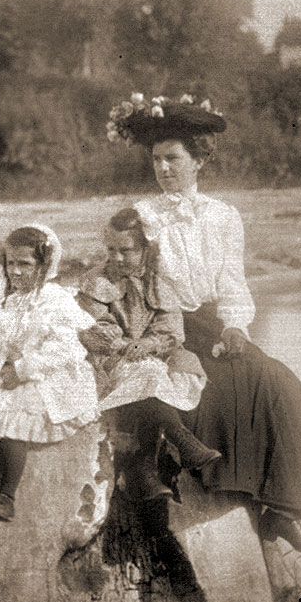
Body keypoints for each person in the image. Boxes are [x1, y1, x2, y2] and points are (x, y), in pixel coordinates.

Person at [106, 93, 301, 554]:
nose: (164, 168)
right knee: (207, 390)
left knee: (281, 383)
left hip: (210, 324)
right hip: (161, 323)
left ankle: (283, 512)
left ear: (198, 160)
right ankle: (215, 481)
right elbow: (122, 276)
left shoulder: (223, 216)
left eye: (173, 158)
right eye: (156, 159)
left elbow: (231, 280)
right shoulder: (141, 218)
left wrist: (235, 327)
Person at [77, 207, 222, 499]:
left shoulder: (159, 280)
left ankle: (144, 472)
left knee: (172, 368)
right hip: (110, 357)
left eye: (126, 251)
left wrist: (151, 345)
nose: (117, 258)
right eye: (111, 249)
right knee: (146, 373)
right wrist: (123, 344)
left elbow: (170, 329)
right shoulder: (97, 281)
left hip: (153, 353)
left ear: (145, 249)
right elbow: (93, 327)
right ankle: (181, 440)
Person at [0, 224, 99, 522]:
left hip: (51, 376)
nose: (16, 272)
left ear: (45, 265)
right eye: (11, 263)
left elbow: (64, 350)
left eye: (25, 264)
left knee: (16, 424)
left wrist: (22, 370)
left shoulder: (56, 300)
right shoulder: (11, 302)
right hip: (15, 375)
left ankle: (7, 496)